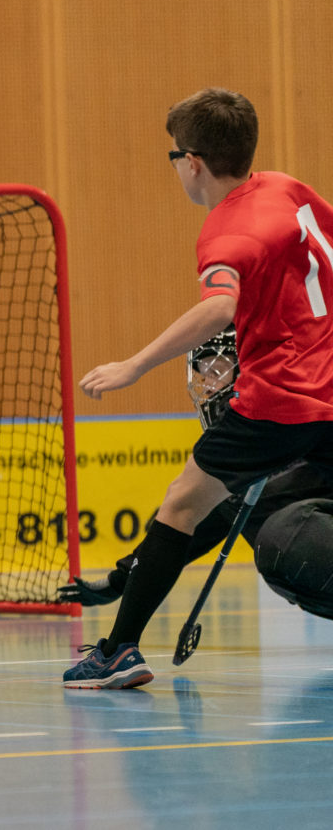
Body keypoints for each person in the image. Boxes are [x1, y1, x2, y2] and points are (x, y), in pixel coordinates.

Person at [63, 87, 333, 689]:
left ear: (193, 162)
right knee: (245, 498)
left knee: (183, 503)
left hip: (284, 396)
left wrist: (133, 365)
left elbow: (220, 307)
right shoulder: (290, 189)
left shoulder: (226, 231)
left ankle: (117, 652)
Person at [59, 328, 330, 607]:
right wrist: (122, 579)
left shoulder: (300, 422)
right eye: (203, 375)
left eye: (216, 373)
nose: (209, 386)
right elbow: (197, 525)